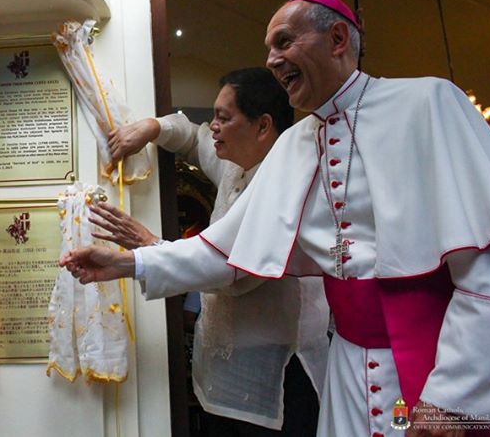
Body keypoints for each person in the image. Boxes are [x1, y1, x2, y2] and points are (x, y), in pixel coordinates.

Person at [61, 0, 490, 437]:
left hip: (432, 358)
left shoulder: (428, 103)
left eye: (284, 42)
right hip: (347, 369)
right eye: (269, 49)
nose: (272, 60)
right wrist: (128, 263)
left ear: (337, 39)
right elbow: (226, 251)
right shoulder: (294, 144)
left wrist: (452, 397)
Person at [89, 68, 328, 435]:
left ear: (263, 126)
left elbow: (235, 274)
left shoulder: (290, 186)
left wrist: (148, 248)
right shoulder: (235, 165)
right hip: (220, 375)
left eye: (223, 118)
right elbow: (190, 136)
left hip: (275, 376)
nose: (213, 126)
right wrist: (151, 128)